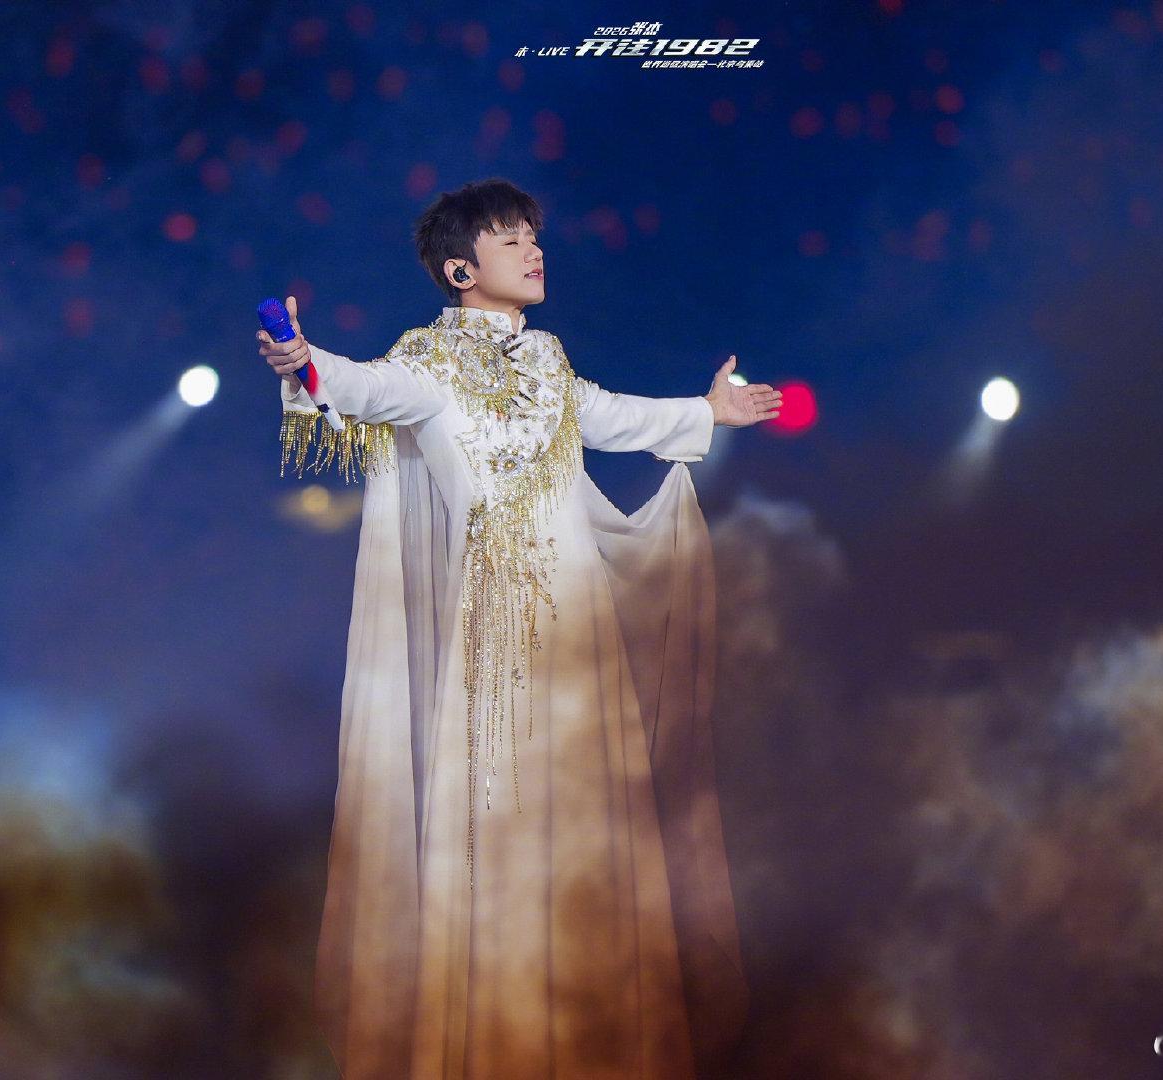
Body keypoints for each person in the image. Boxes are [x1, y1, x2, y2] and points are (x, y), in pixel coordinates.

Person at [258, 178, 780, 1078]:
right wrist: (304, 361)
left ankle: (586, 1042)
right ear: (461, 270)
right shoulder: (428, 363)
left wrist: (708, 413)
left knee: (588, 839)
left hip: (582, 634)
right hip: (497, 634)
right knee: (500, 833)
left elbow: (612, 415)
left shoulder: (548, 362)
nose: (535, 251)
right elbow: (360, 387)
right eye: (510, 239)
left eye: (534, 236)